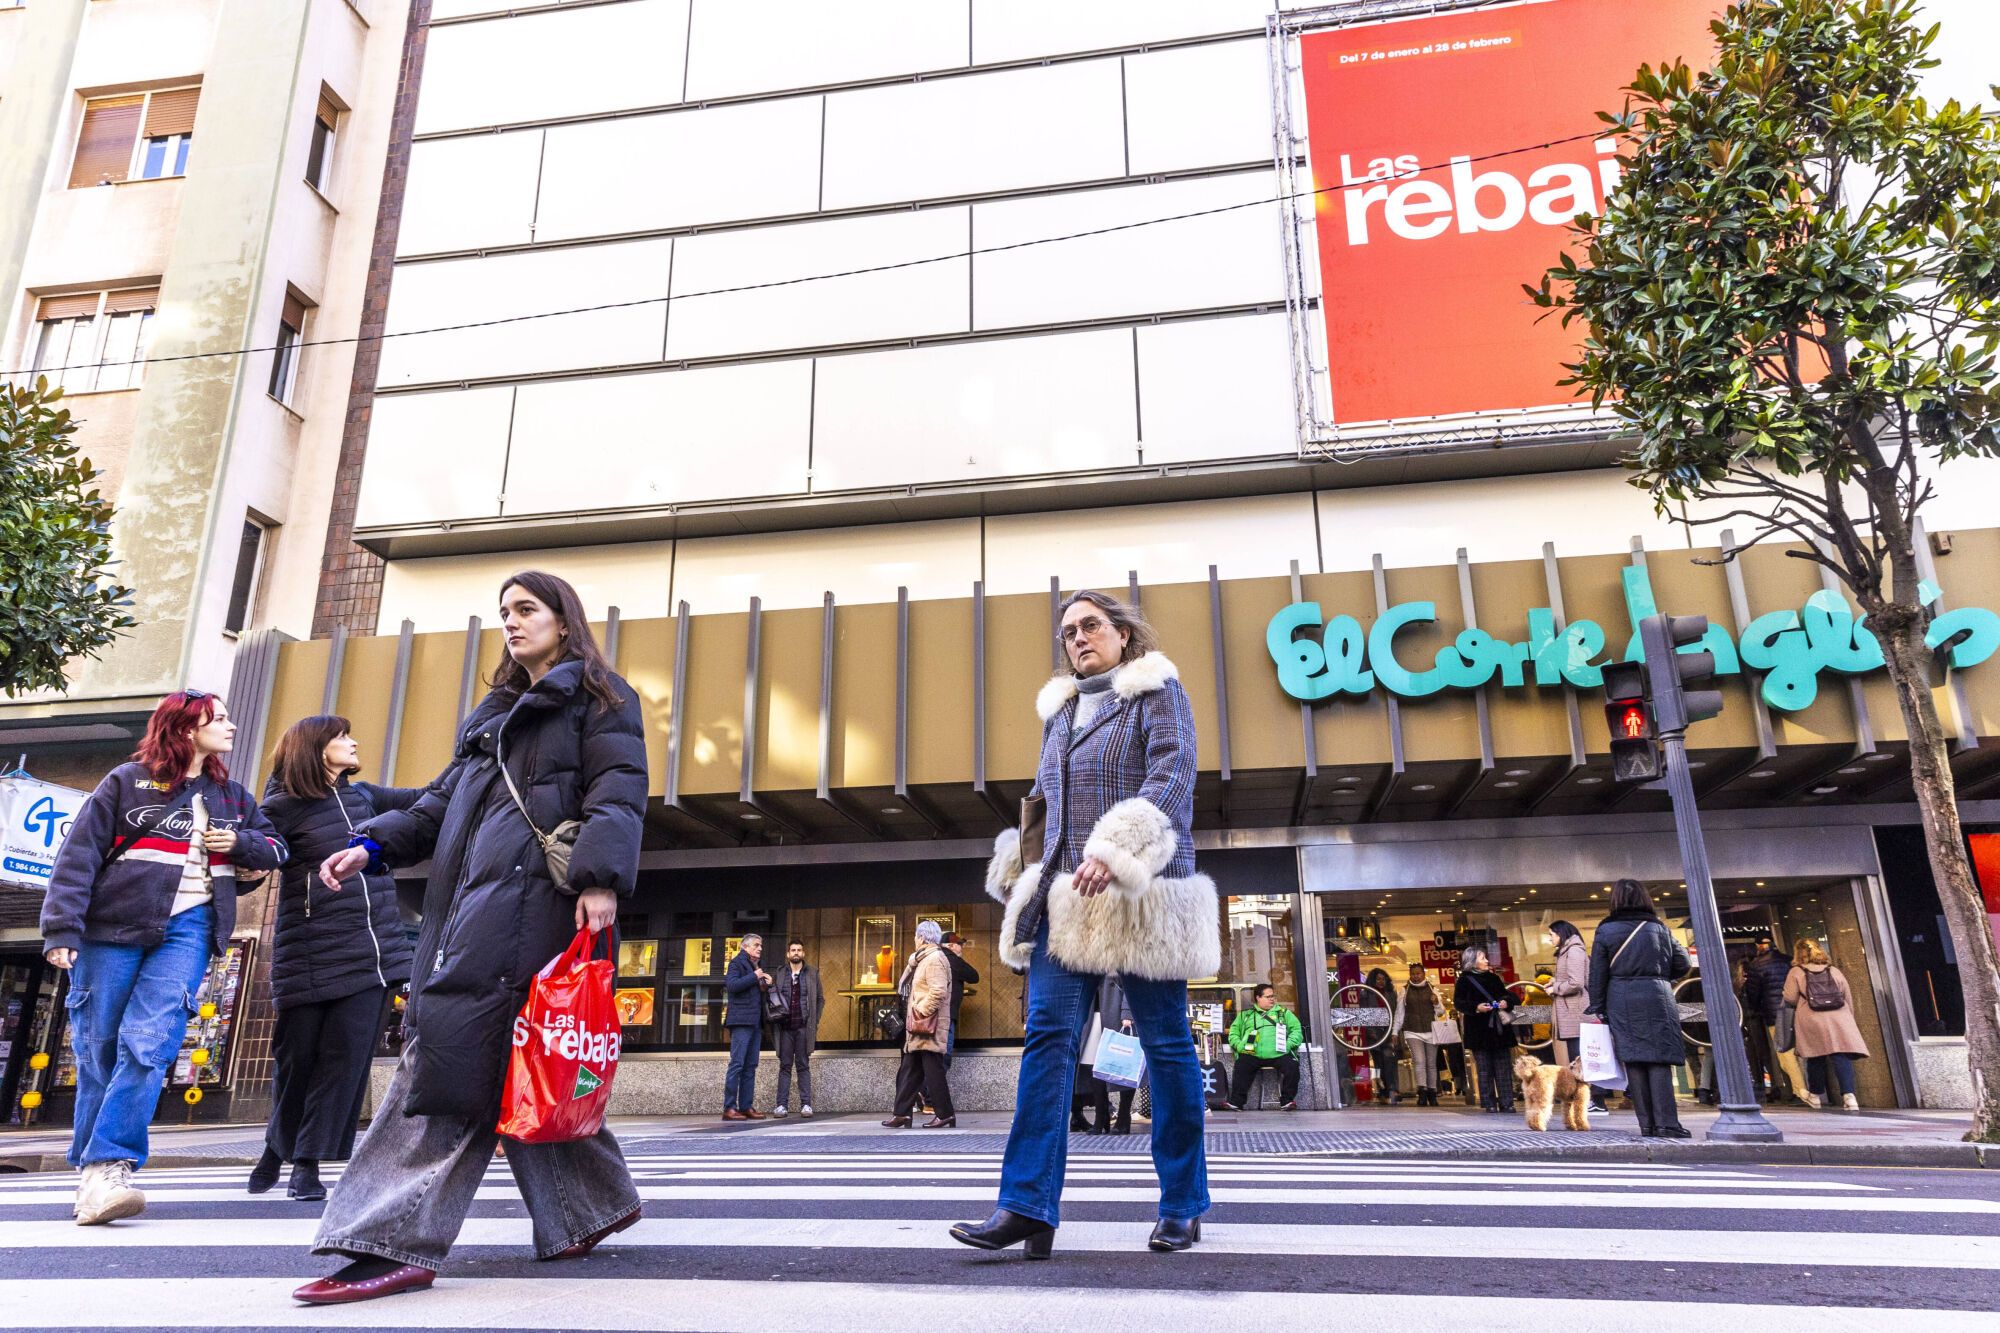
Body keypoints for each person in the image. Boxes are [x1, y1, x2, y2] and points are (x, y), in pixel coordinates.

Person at [294, 570, 648, 1305]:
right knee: (521, 1069)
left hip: (538, 911)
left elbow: (619, 791)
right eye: (504, 613)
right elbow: (437, 802)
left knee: (455, 1062)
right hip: (470, 910)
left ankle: (387, 1239)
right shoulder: (493, 713)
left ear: (562, 618)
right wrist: (372, 845)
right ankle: (589, 1207)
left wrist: (599, 878)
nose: (511, 623)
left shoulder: (602, 699)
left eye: (526, 610)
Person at [952, 589, 1214, 1258]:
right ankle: (1027, 1206)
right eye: (1067, 630)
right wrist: (1023, 864)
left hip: (1142, 891)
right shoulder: (1061, 711)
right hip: (1066, 899)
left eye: (1090, 624)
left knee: (1167, 1043)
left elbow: (1172, 774)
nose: (1077, 638)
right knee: (1047, 1041)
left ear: (1123, 634)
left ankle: (1183, 1204)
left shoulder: (1158, 691)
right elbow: (1046, 803)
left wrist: (1115, 847)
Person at [39, 690, 286, 1225]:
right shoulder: (124, 782)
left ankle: (110, 1165)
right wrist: (62, 928)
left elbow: (275, 848)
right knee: (99, 1049)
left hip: (191, 928)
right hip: (110, 929)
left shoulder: (233, 796)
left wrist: (239, 845)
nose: (230, 725)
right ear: (185, 728)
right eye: (217, 718)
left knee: (149, 1044)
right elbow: (78, 856)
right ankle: (92, 1176)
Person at [254, 717, 420, 1202]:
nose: (354, 741)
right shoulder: (281, 807)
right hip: (307, 952)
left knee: (345, 1062)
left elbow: (430, 797)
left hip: (371, 958)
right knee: (296, 1059)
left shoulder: (365, 797)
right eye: (342, 737)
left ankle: (307, 1164)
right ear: (315, 748)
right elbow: (256, 852)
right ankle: (276, 1145)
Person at [1585, 878, 1692, 1139]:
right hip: (1657, 995)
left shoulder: (1606, 929)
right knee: (1660, 1058)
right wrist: (1660, 976)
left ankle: (1647, 1125)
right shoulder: (1659, 928)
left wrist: (1598, 1006)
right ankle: (1668, 1123)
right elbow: (1683, 962)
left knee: (1633, 1058)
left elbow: (1597, 973)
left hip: (1621, 996)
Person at [883, 921, 956, 1128]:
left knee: (933, 1072)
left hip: (927, 1026)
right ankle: (902, 1113)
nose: (914, 940)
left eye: (916, 937)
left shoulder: (934, 959)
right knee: (910, 1070)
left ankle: (945, 1114)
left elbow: (938, 991)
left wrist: (920, 1011)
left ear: (922, 938)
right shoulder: (922, 960)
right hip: (919, 1027)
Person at [1784, 940, 1869, 1110]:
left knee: (1815, 1056)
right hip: (1838, 1018)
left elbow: (1790, 998)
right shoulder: (1834, 970)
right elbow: (1846, 995)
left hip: (1812, 1018)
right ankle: (1849, 1096)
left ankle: (1815, 1096)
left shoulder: (1796, 971)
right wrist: (1848, 1019)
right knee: (1840, 1055)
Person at [1545, 920, 1607, 1114]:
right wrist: (1557, 981)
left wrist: (1555, 988)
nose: (1550, 938)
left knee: (1581, 1058)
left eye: (1551, 934)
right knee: (1579, 1057)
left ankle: (1595, 1100)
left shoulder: (1573, 951)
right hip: (1572, 1012)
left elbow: (1577, 982)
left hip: (1576, 1012)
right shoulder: (1569, 951)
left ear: (1561, 934)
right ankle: (1588, 1099)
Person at [1743, 934, 1805, 1103]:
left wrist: (1753, 1010)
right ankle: (1801, 1089)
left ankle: (1801, 1092)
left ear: (1758, 946)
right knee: (1800, 1052)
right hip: (1797, 1011)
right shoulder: (1789, 960)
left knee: (1786, 1055)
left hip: (1775, 1014)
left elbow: (1753, 994)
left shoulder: (1755, 966)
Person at [1454, 948, 1517, 1113]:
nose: (1487, 961)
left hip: (1499, 1029)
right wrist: (1476, 1007)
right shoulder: (1464, 980)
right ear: (1472, 960)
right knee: (1484, 1068)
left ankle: (1507, 1102)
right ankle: (1488, 1103)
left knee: (1503, 1067)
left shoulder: (1493, 977)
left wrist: (1505, 1002)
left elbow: (1506, 996)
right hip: (1478, 1030)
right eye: (1483, 958)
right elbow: (1459, 1003)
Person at [1224, 983, 1305, 1110]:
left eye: (1273, 996)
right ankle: (1236, 1102)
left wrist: (1288, 1045)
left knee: (1292, 1067)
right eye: (1268, 996)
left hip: (1279, 1053)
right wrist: (1239, 1046)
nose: (1272, 999)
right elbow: (1233, 1033)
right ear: (1258, 998)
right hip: (1252, 1053)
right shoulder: (1246, 1015)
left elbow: (1296, 1030)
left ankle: (1287, 1101)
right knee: (1241, 1066)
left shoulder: (1283, 1013)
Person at [769, 939, 823, 1119]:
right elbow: (774, 997)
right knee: (785, 1066)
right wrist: (770, 984)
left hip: (803, 1027)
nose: (796, 953)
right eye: (793, 950)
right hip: (785, 1028)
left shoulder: (812, 973)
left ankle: (806, 1104)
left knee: (803, 1065)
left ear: (803, 953)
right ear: (788, 954)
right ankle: (781, 1105)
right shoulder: (780, 973)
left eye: (799, 950)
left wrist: (814, 1020)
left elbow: (820, 999)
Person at [722, 934, 772, 1121]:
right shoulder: (737, 963)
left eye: (761, 945)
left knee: (750, 1066)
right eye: (756, 945)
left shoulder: (755, 965)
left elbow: (755, 992)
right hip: (741, 1022)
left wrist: (766, 985)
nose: (760, 948)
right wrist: (755, 976)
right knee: (737, 1064)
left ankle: (746, 1106)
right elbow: (732, 986)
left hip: (755, 1022)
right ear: (745, 947)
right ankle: (729, 1108)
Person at [1088, 975, 1137, 1134]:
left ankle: (1123, 1117)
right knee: (1094, 1066)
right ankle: (1101, 1116)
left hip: (1114, 1010)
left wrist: (1127, 1011)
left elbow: (1132, 976)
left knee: (1123, 1063)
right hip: (1091, 1013)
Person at [1398, 965, 1442, 1106]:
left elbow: (1440, 1012)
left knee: (1431, 1064)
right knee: (1419, 1061)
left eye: (1418, 973)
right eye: (1413, 974)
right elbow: (1399, 1014)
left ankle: (1432, 1092)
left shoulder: (1432, 989)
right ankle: (1422, 1092)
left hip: (1431, 1030)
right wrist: (1394, 1032)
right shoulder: (1404, 991)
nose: (1416, 976)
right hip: (1412, 1031)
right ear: (1410, 975)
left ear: (1423, 974)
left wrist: (1436, 1002)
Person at [1362, 966, 1403, 1105]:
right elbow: (1364, 1014)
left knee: (1389, 1061)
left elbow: (1396, 1012)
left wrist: (1395, 1032)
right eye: (1378, 979)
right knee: (1379, 1063)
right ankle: (1382, 1090)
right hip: (1374, 1033)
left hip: (1388, 1031)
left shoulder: (1391, 993)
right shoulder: (1366, 994)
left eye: (1383, 979)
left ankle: (1391, 1089)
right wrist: (1369, 1030)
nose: (1381, 981)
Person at [941, 931, 980, 1065]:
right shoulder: (952, 960)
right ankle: (933, 1086)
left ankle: (929, 1085)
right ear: (950, 946)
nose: (961, 947)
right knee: (943, 1057)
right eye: (959, 944)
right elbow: (974, 976)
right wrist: (957, 958)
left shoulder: (933, 958)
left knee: (933, 1058)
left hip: (930, 1016)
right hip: (946, 1017)